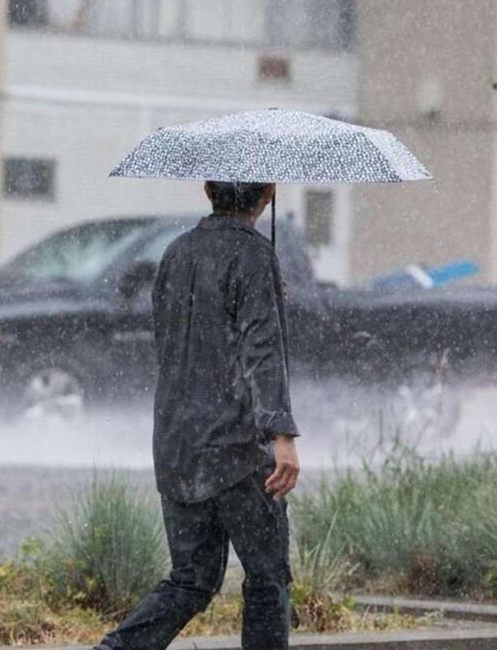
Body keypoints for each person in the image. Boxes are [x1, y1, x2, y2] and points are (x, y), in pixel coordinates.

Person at [95, 181, 301, 650]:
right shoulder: (253, 256)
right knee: (267, 581)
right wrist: (280, 433)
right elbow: (261, 349)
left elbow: (177, 340)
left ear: (208, 189)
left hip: (177, 442)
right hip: (238, 451)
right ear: (269, 193)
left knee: (192, 579)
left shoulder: (176, 252)